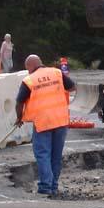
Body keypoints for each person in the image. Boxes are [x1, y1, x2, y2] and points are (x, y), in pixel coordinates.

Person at [15, 54, 75, 198]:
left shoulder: (29, 80)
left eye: (27, 68)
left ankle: (45, 187)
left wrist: (19, 118)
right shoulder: (57, 72)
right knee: (56, 155)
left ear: (30, 67)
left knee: (43, 155)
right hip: (61, 121)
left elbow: (19, 102)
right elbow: (72, 87)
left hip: (43, 122)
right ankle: (53, 186)